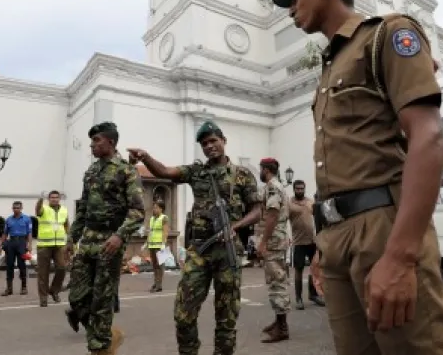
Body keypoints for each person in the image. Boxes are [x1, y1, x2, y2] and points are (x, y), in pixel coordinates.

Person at [270, 0, 443, 355]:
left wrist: (401, 256)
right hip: (336, 234)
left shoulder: (389, 34)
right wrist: (326, 242)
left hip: (383, 228)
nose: (289, 9)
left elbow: (429, 138)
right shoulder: (330, 64)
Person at [127, 120, 263, 355]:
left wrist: (236, 225)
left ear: (223, 141)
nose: (209, 146)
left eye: (213, 141)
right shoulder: (197, 171)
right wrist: (145, 157)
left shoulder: (242, 176)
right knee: (183, 313)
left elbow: (257, 210)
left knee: (227, 316)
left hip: (228, 250)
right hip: (199, 250)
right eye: (204, 143)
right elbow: (165, 172)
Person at [65, 122, 145, 355]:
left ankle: (99, 348)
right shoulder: (91, 172)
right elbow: (83, 209)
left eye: (97, 140)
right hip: (88, 240)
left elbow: (138, 211)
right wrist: (72, 238)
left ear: (111, 142)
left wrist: (120, 236)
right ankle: (109, 337)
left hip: (110, 242)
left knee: (102, 301)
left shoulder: (126, 170)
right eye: (92, 141)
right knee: (77, 298)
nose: (92, 144)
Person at [256, 157, 292, 343]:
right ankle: (279, 321)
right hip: (277, 239)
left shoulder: (273, 187)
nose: (259, 172)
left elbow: (272, 216)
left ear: (266, 170)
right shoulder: (275, 186)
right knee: (275, 279)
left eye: (260, 169)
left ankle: (282, 327)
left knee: (277, 282)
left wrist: (263, 242)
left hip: (273, 241)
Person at [288, 180, 325, 309]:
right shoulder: (289, 204)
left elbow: (319, 216)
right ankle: (298, 298)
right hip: (298, 242)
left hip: (312, 241)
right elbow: (282, 221)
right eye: (297, 189)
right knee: (298, 270)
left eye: (302, 188)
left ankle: (313, 295)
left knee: (314, 269)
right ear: (294, 189)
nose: (300, 191)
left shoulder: (310, 202)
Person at [34, 190, 71, 307]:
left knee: (62, 268)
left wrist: (70, 241)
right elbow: (37, 210)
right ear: (49, 199)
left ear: (59, 199)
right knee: (43, 273)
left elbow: (66, 225)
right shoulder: (44, 209)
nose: (54, 199)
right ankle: (43, 298)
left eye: (56, 197)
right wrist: (40, 200)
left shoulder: (64, 210)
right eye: (52, 197)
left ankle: (54, 290)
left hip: (59, 245)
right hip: (44, 246)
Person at [0, 200, 32, 296]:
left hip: (22, 243)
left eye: (18, 208)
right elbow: (5, 233)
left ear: (21, 208)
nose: (16, 209)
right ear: (12, 209)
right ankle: (9, 289)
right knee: (9, 265)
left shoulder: (26, 219)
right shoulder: (8, 219)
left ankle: (24, 287)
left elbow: (29, 233)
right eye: (14, 208)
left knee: (22, 265)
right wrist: (0, 245)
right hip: (11, 243)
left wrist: (29, 245)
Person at [146, 201, 169, 293]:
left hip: (160, 245)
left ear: (161, 209)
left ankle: (159, 285)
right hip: (152, 244)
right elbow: (151, 231)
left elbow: (165, 231)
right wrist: (146, 242)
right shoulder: (152, 218)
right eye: (154, 208)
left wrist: (163, 243)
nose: (154, 209)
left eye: (156, 208)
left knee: (160, 266)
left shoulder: (164, 218)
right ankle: (155, 283)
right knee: (154, 265)